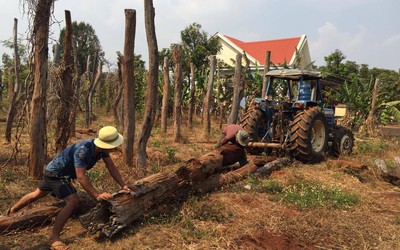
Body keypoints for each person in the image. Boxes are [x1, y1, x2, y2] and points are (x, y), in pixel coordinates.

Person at [6, 126, 130, 250]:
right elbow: (81, 177)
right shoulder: (84, 150)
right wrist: (97, 195)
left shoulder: (102, 150)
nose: (115, 148)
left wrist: (123, 185)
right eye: (114, 145)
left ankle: (11, 212)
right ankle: (54, 238)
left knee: (36, 194)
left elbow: (112, 168)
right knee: (73, 201)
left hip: (54, 171)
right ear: (106, 145)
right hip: (56, 174)